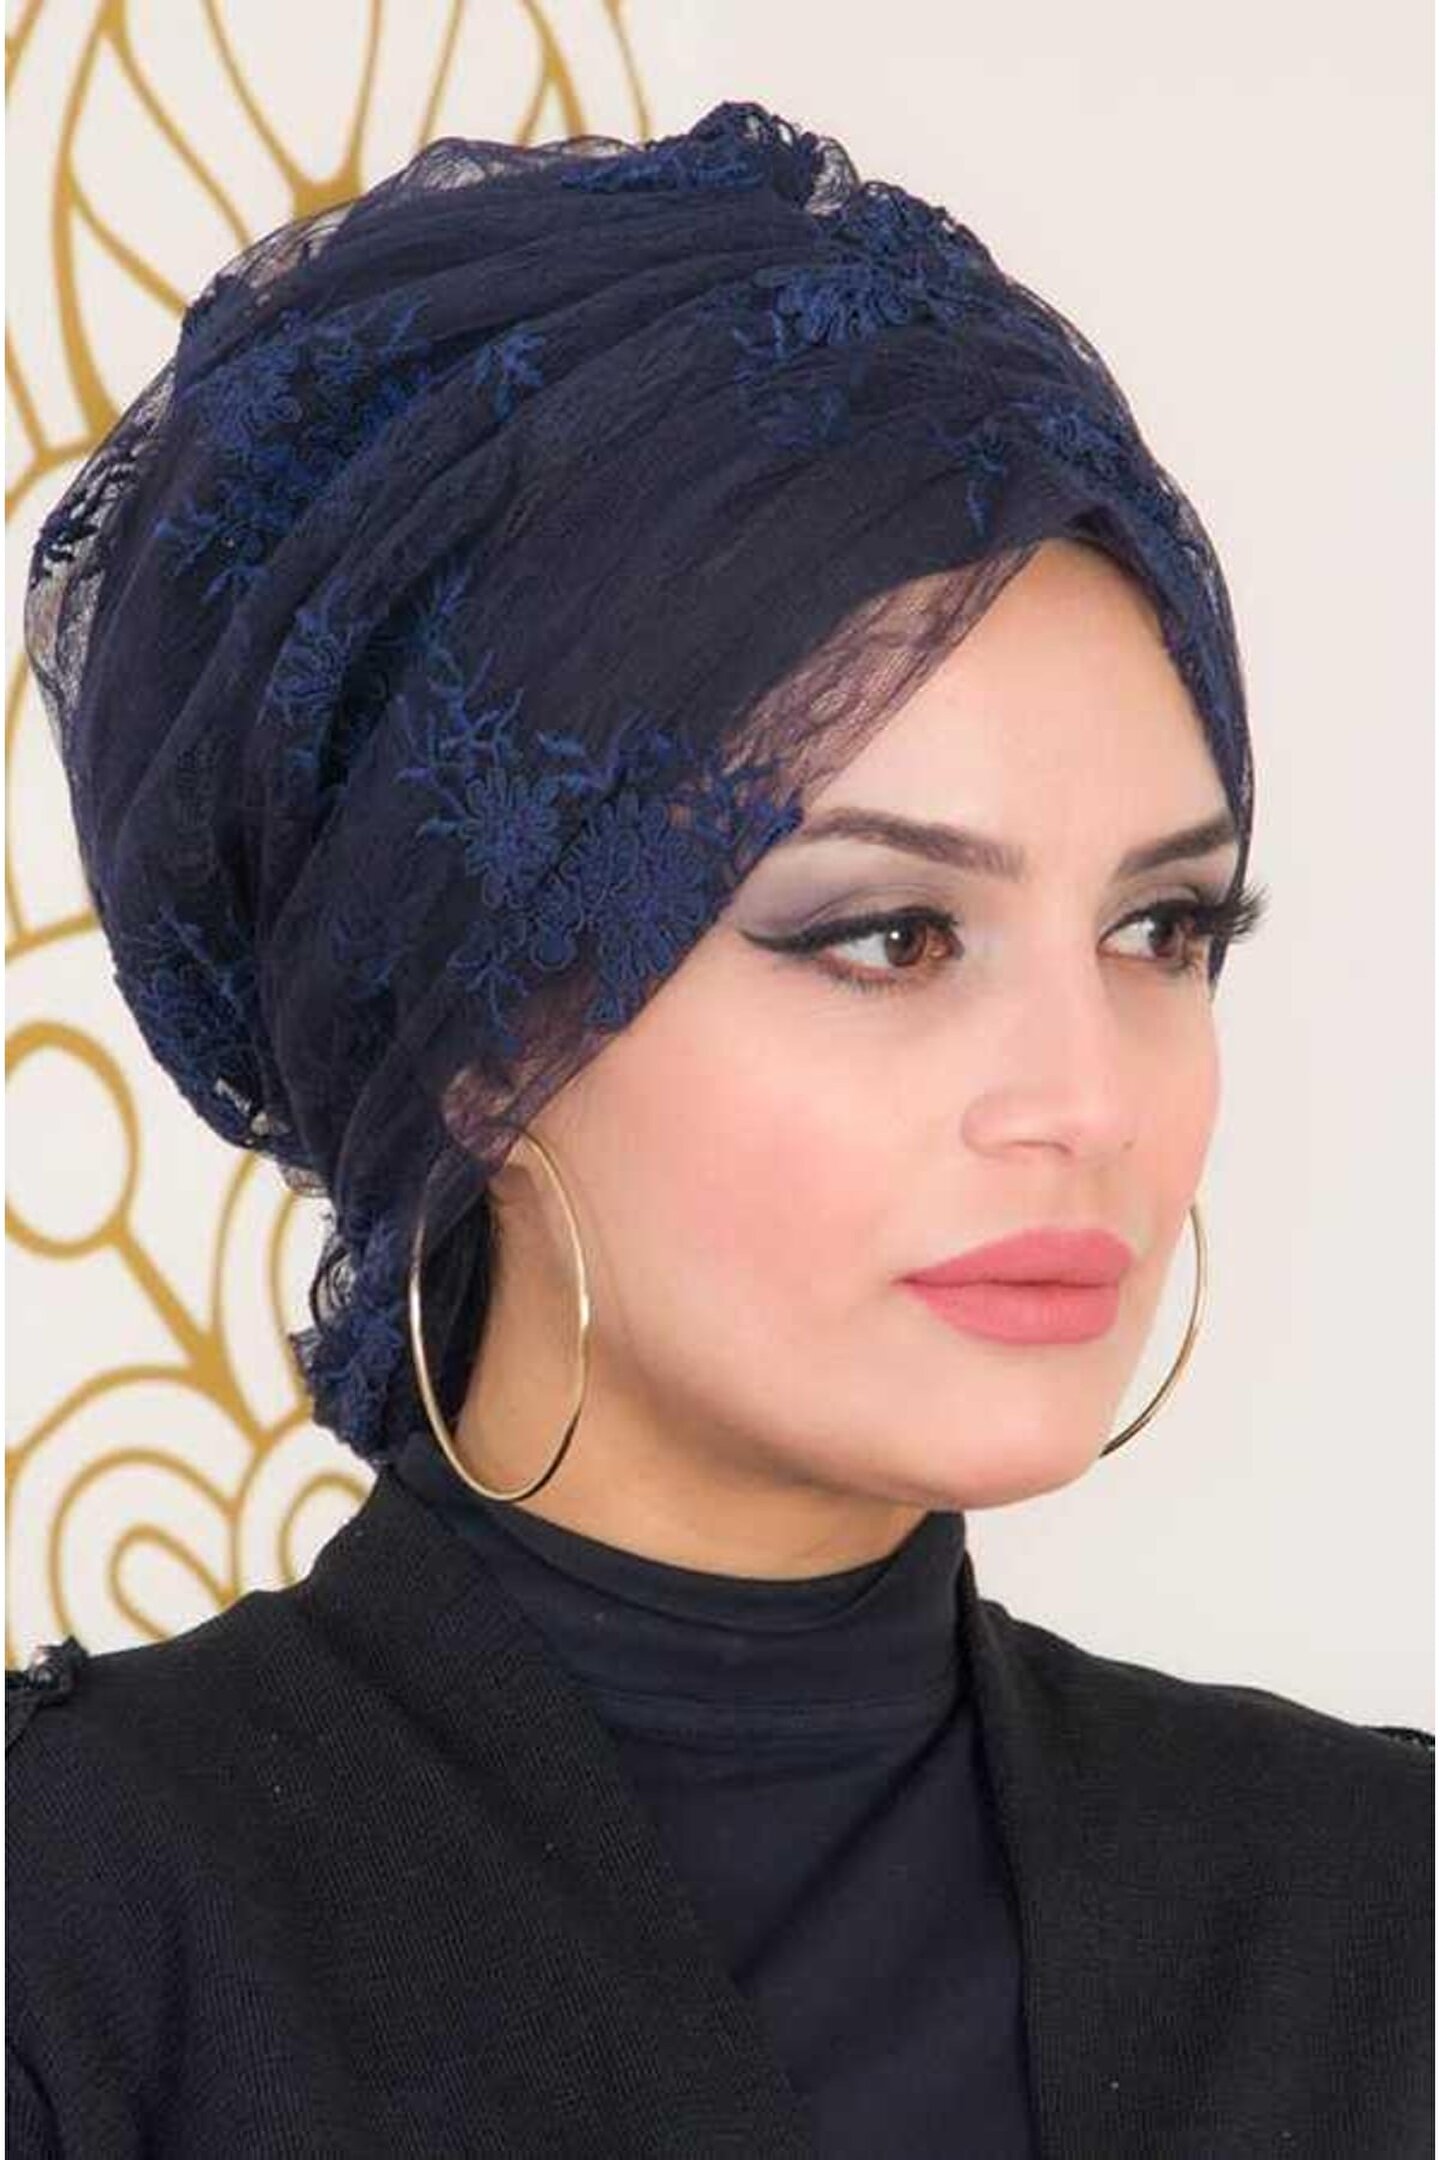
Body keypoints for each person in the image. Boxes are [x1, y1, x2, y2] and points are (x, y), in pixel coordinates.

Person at [8, 99, 1431, 2159]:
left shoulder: (1380, 1913)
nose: (1091, 1100)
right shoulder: (70, 1936)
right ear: (478, 1025)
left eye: (1163, 928)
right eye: (890, 936)